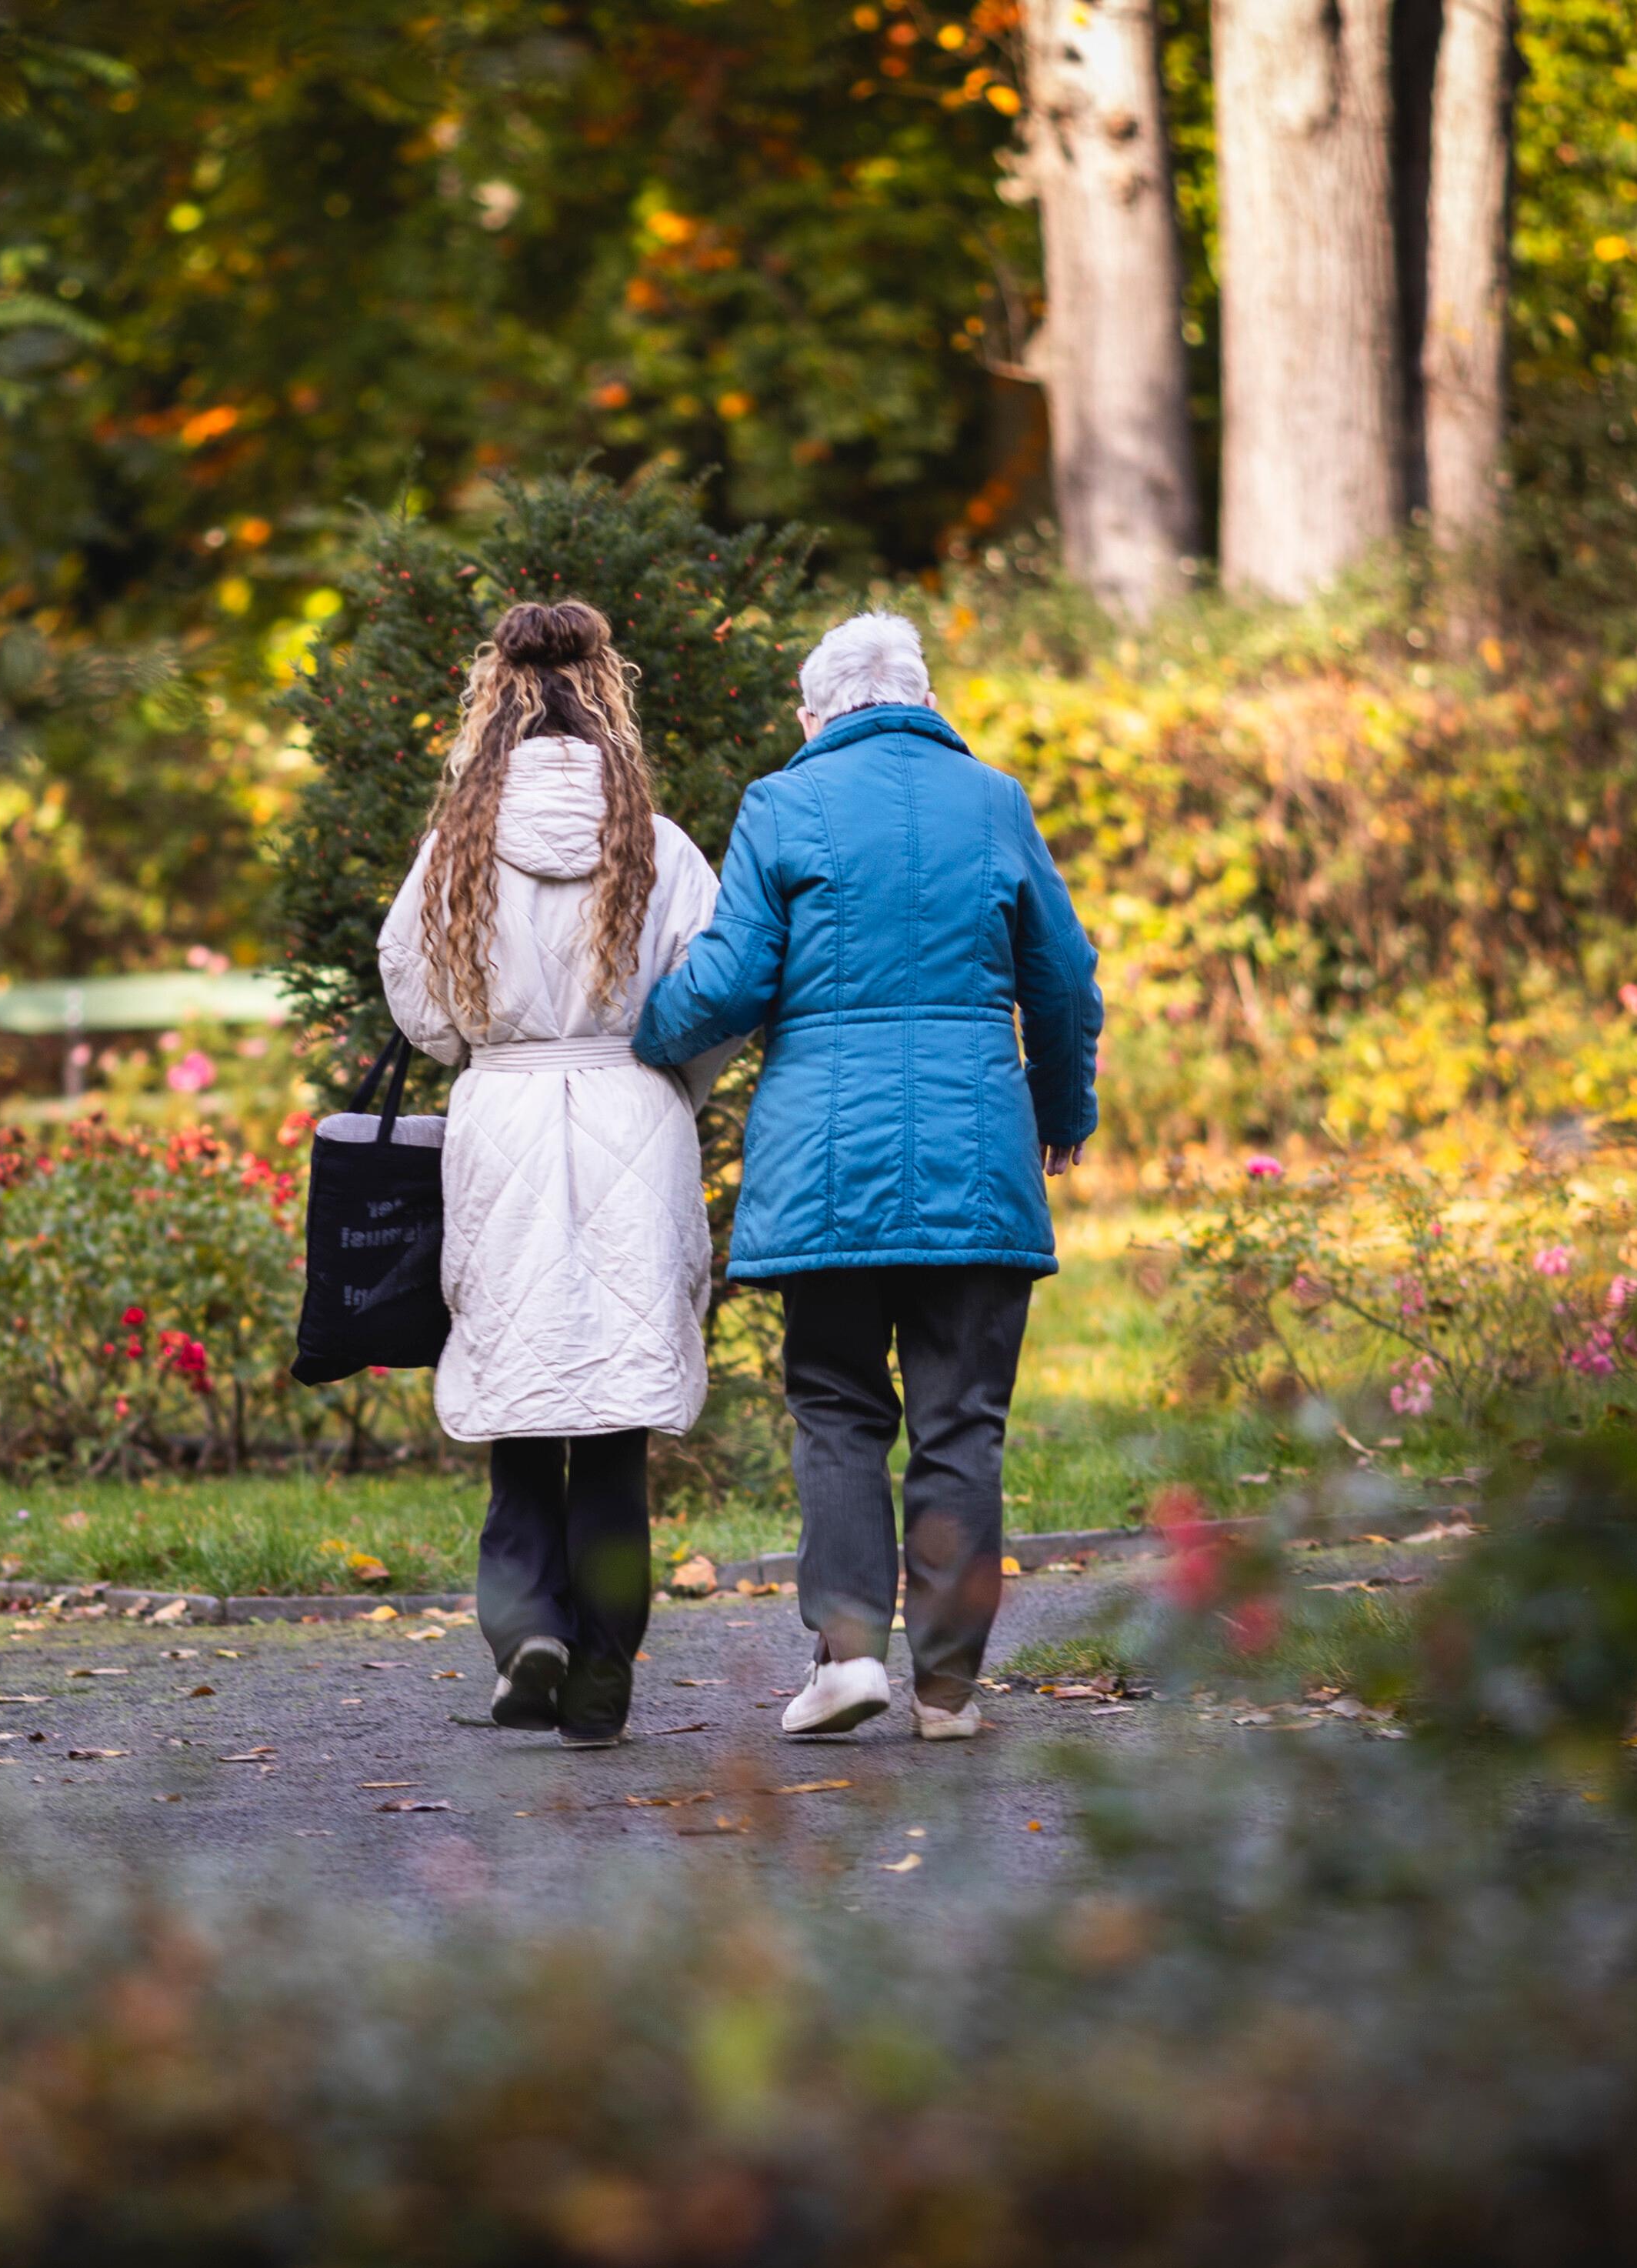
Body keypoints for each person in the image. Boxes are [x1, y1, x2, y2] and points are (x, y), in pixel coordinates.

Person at [632, 612, 1102, 1741]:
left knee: (838, 1409)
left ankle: (846, 1656)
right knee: (961, 1424)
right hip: (975, 1157)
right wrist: (1060, 1109)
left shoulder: (783, 804)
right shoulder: (993, 799)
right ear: (924, 699)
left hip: (825, 1162)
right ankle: (945, 1690)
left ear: (814, 712)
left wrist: (637, 1040)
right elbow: (1066, 978)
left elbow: (733, 981)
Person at [378, 601, 738, 1749]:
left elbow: (419, 1002)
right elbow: (709, 992)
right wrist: (668, 1075)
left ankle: (525, 1623)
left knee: (520, 1388)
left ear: (495, 697)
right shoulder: (657, 842)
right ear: (604, 695)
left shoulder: (455, 848)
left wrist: (489, 1045)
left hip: (506, 1113)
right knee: (618, 1401)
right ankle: (604, 1648)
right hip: (631, 1106)